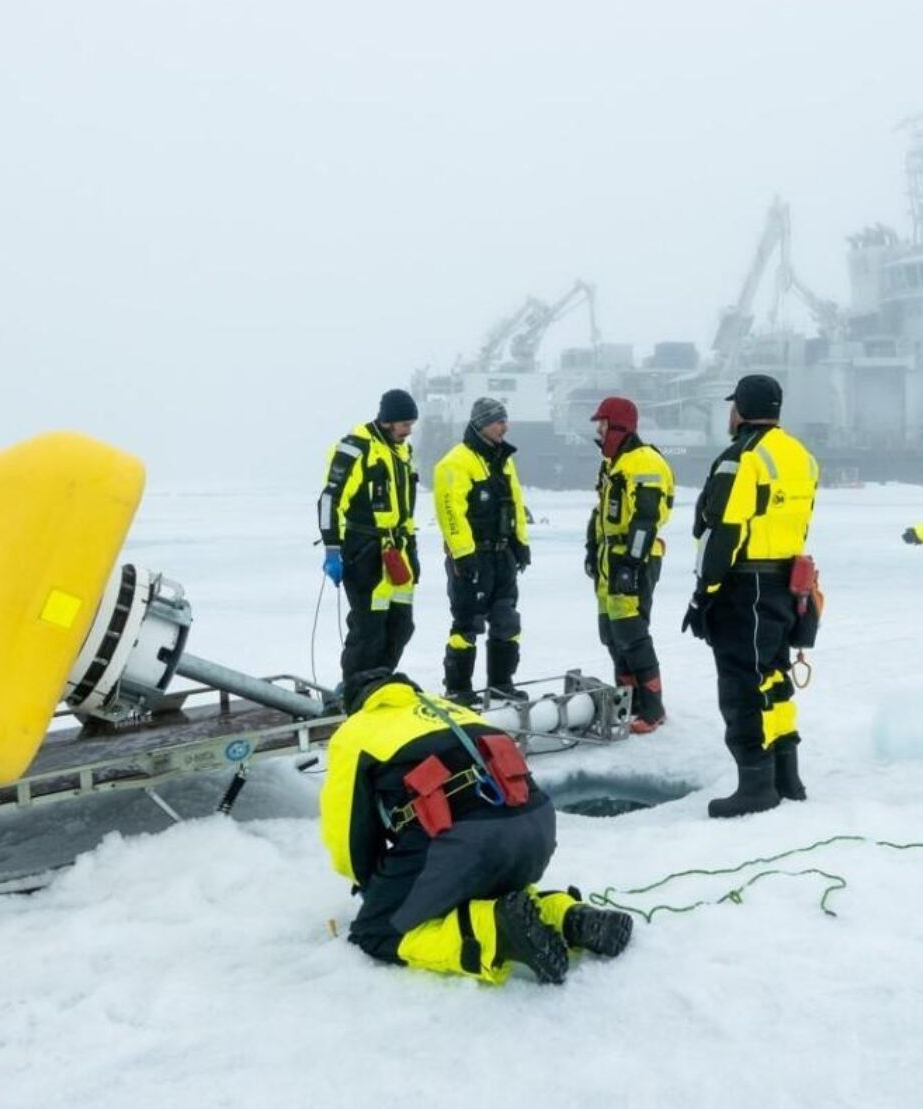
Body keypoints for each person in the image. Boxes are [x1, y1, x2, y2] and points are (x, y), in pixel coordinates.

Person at [320, 669, 634, 985]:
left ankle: (495, 933)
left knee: (376, 932)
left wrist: (376, 888)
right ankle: (567, 918)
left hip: (463, 840)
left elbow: (347, 833)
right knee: (488, 888)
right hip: (535, 826)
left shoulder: (355, 731)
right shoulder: (450, 710)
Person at [682, 374, 819, 818]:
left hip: (745, 585)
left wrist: (705, 594)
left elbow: (723, 530)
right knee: (773, 677)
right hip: (786, 582)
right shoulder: (801, 457)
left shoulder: (742, 458)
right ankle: (786, 775)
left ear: (739, 409)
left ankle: (756, 783)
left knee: (742, 684)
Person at [433, 397, 531, 705]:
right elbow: (450, 512)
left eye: (505, 420)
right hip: (473, 559)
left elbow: (515, 503)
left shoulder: (503, 459)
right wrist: (463, 554)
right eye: (499, 421)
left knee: (507, 620)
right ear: (482, 424)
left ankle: (501, 683)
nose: (505, 426)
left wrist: (520, 542)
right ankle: (458, 688)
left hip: (503, 556)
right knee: (467, 623)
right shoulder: (454, 463)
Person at [317, 390, 421, 681]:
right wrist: (332, 550)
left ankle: (381, 681)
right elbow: (329, 501)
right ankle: (355, 689)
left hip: (397, 552)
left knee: (401, 625)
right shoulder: (356, 449)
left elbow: (405, 509)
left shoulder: (402, 452)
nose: (408, 431)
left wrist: (411, 551)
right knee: (368, 627)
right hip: (365, 551)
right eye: (405, 425)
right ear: (388, 421)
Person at [587, 397, 675, 733]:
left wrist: (631, 564)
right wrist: (592, 549)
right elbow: (601, 514)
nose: (598, 429)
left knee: (632, 634)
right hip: (610, 557)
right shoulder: (614, 464)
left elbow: (646, 518)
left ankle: (653, 709)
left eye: (603, 423)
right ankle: (630, 701)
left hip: (633, 558)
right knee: (611, 634)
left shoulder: (644, 462)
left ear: (619, 425)